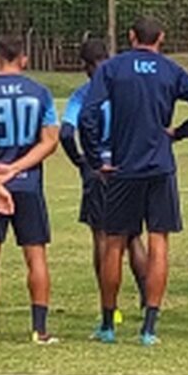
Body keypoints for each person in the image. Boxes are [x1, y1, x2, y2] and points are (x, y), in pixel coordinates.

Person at [81, 16, 188, 345]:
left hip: (123, 168)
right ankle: (149, 327)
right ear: (162, 37)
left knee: (114, 243)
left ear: (131, 36)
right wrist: (178, 134)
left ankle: (108, 324)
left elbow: (88, 114)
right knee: (159, 244)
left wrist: (97, 158)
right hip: (160, 167)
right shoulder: (171, 70)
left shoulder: (112, 69)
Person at [0, 34, 61, 346]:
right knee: (36, 256)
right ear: (24, 59)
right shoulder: (41, 93)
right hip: (28, 184)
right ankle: (40, 331)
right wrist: (19, 168)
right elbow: (50, 141)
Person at [61, 39, 148, 324]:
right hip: (130, 166)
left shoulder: (84, 93)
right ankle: (149, 299)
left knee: (102, 236)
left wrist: (81, 160)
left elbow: (65, 133)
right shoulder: (126, 87)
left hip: (100, 169)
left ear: (86, 66)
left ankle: (108, 305)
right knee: (133, 235)